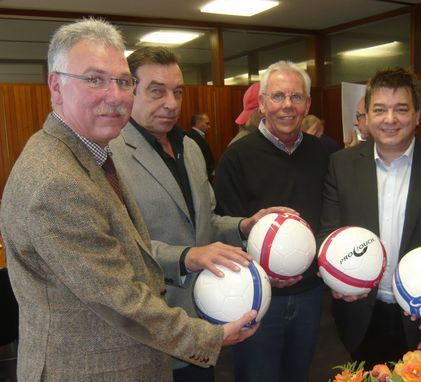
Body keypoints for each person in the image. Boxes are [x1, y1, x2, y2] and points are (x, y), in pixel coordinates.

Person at [0, 18, 258, 381]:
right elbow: (118, 300)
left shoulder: (91, 153)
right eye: (94, 79)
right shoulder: (56, 180)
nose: (115, 95)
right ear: (56, 87)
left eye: (123, 82)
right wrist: (209, 335)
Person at [109, 46, 290, 382]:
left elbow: (205, 223)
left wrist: (245, 226)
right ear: (128, 89)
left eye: (177, 92)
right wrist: (187, 256)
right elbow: (120, 247)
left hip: (202, 325)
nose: (171, 103)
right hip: (150, 329)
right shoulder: (111, 155)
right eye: (156, 91)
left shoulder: (190, 148)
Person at [318, 67, 421, 369]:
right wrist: (334, 277)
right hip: (361, 312)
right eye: (380, 110)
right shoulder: (341, 165)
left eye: (401, 109)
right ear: (366, 116)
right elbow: (329, 233)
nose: (390, 119)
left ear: (418, 114)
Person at [213, 61, 330, 382]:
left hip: (309, 294)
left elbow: (327, 219)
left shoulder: (320, 154)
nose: (287, 105)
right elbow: (219, 223)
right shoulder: (237, 156)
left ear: (307, 104)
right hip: (255, 298)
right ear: (262, 104)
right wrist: (263, 271)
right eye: (278, 96)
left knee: (299, 373)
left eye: (296, 97)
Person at [187, 112, 216, 182]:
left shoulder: (191, 136)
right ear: (198, 123)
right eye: (207, 123)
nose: (209, 127)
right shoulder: (195, 139)